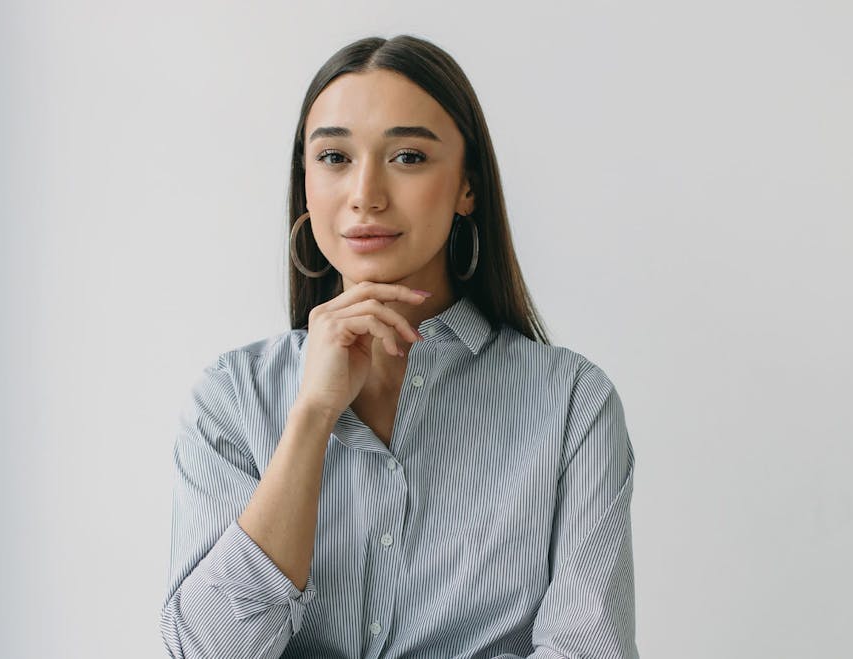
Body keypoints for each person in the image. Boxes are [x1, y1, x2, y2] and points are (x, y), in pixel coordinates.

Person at [160, 34, 638, 659]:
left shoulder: (573, 404)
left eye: (408, 156)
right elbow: (206, 651)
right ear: (305, 183)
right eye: (333, 157)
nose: (366, 193)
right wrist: (310, 418)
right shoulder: (232, 398)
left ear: (467, 187)